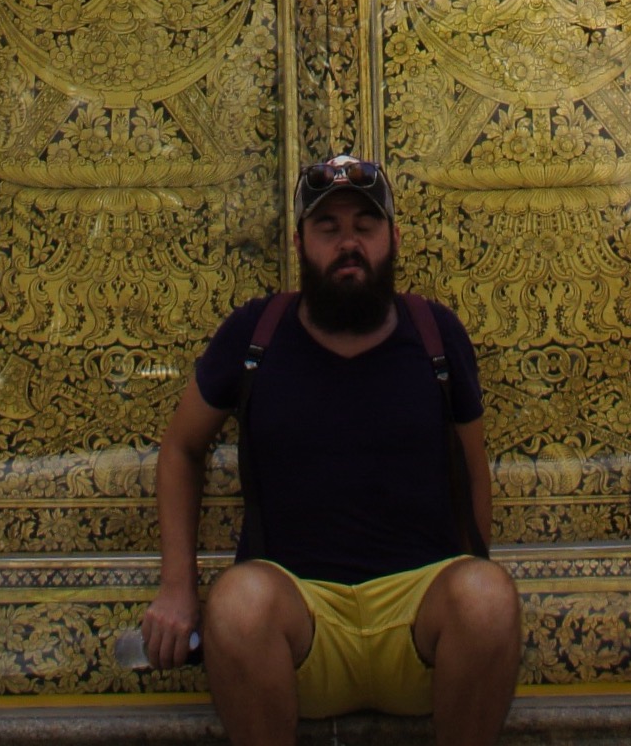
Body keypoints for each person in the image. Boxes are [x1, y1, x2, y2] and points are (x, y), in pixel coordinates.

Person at [139, 154, 523, 746]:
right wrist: (176, 586)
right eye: (328, 228)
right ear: (300, 243)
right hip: (298, 625)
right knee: (238, 603)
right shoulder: (254, 334)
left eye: (364, 227)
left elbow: (474, 469)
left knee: (487, 594)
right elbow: (181, 449)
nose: (348, 243)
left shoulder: (434, 334)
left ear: (392, 238)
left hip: (417, 619)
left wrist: (471, 596)